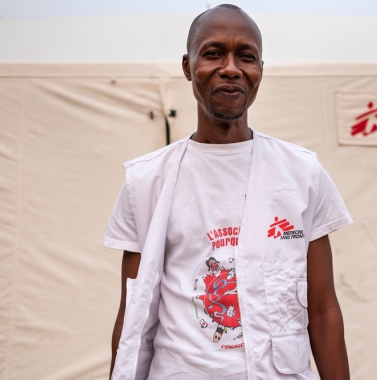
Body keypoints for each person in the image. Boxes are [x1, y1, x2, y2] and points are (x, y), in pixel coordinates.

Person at [103, 4, 352, 380]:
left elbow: (322, 308)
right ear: (188, 66)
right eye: (214, 53)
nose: (231, 68)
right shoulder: (146, 182)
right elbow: (134, 314)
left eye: (246, 56)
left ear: (260, 72)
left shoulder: (302, 173)